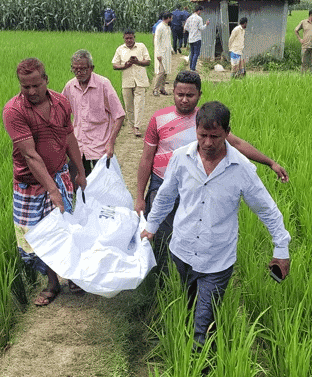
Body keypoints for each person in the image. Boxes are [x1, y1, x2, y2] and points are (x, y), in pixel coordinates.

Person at [140, 101, 292, 347]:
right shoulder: (181, 158)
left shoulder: (241, 168)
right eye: (202, 135)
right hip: (182, 250)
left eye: (215, 136)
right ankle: (189, 352)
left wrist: (281, 249)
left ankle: (200, 363)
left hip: (217, 259)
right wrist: (151, 226)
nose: (208, 143)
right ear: (195, 130)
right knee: (189, 308)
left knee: (203, 324)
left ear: (227, 133)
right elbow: (166, 195)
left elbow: (268, 210)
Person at [135, 70, 289, 268]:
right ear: (172, 92)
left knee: (196, 230)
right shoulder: (158, 119)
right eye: (179, 94)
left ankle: (199, 272)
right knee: (161, 234)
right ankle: (162, 280)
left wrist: (270, 163)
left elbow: (238, 144)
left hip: (198, 184)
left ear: (199, 94)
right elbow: (146, 158)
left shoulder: (207, 121)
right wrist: (140, 196)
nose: (184, 100)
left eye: (189, 95)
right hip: (162, 181)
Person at [3, 58, 88, 306]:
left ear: (46, 80)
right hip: (29, 183)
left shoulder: (61, 102)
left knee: (63, 230)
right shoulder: (14, 111)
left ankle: (71, 276)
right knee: (34, 236)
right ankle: (52, 282)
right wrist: (52, 190)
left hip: (60, 174)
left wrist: (80, 171)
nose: (30, 91)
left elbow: (69, 137)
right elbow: (30, 155)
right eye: (24, 86)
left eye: (35, 85)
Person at [62, 49, 125, 180]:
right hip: (78, 145)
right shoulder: (70, 86)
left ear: (91, 68)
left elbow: (119, 115)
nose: (78, 72)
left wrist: (111, 143)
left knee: (102, 185)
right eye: (75, 69)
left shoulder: (103, 84)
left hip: (100, 145)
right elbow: (61, 113)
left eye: (83, 69)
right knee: (79, 185)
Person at [112, 29, 151, 137]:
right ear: (123, 38)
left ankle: (136, 127)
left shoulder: (141, 47)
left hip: (140, 80)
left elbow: (148, 61)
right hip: (127, 81)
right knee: (129, 105)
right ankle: (131, 125)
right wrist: (124, 66)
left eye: (131, 38)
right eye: (127, 38)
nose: (129, 40)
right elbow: (115, 65)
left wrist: (137, 62)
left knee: (139, 104)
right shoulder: (120, 49)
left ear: (134, 37)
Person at [153, 12, 173, 96]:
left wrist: (171, 48)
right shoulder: (160, 27)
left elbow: (168, 40)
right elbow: (156, 41)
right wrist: (158, 54)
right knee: (161, 71)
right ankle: (155, 89)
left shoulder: (167, 27)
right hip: (161, 53)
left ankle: (162, 88)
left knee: (165, 72)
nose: (172, 19)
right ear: (168, 18)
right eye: (171, 17)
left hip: (167, 52)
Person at [184, 6, 209, 71]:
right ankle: (193, 68)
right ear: (198, 11)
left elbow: (185, 28)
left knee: (192, 53)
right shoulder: (199, 18)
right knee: (196, 53)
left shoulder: (189, 18)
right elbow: (201, 28)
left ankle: (191, 67)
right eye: (200, 11)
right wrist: (206, 24)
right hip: (197, 38)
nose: (201, 12)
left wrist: (191, 31)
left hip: (191, 38)